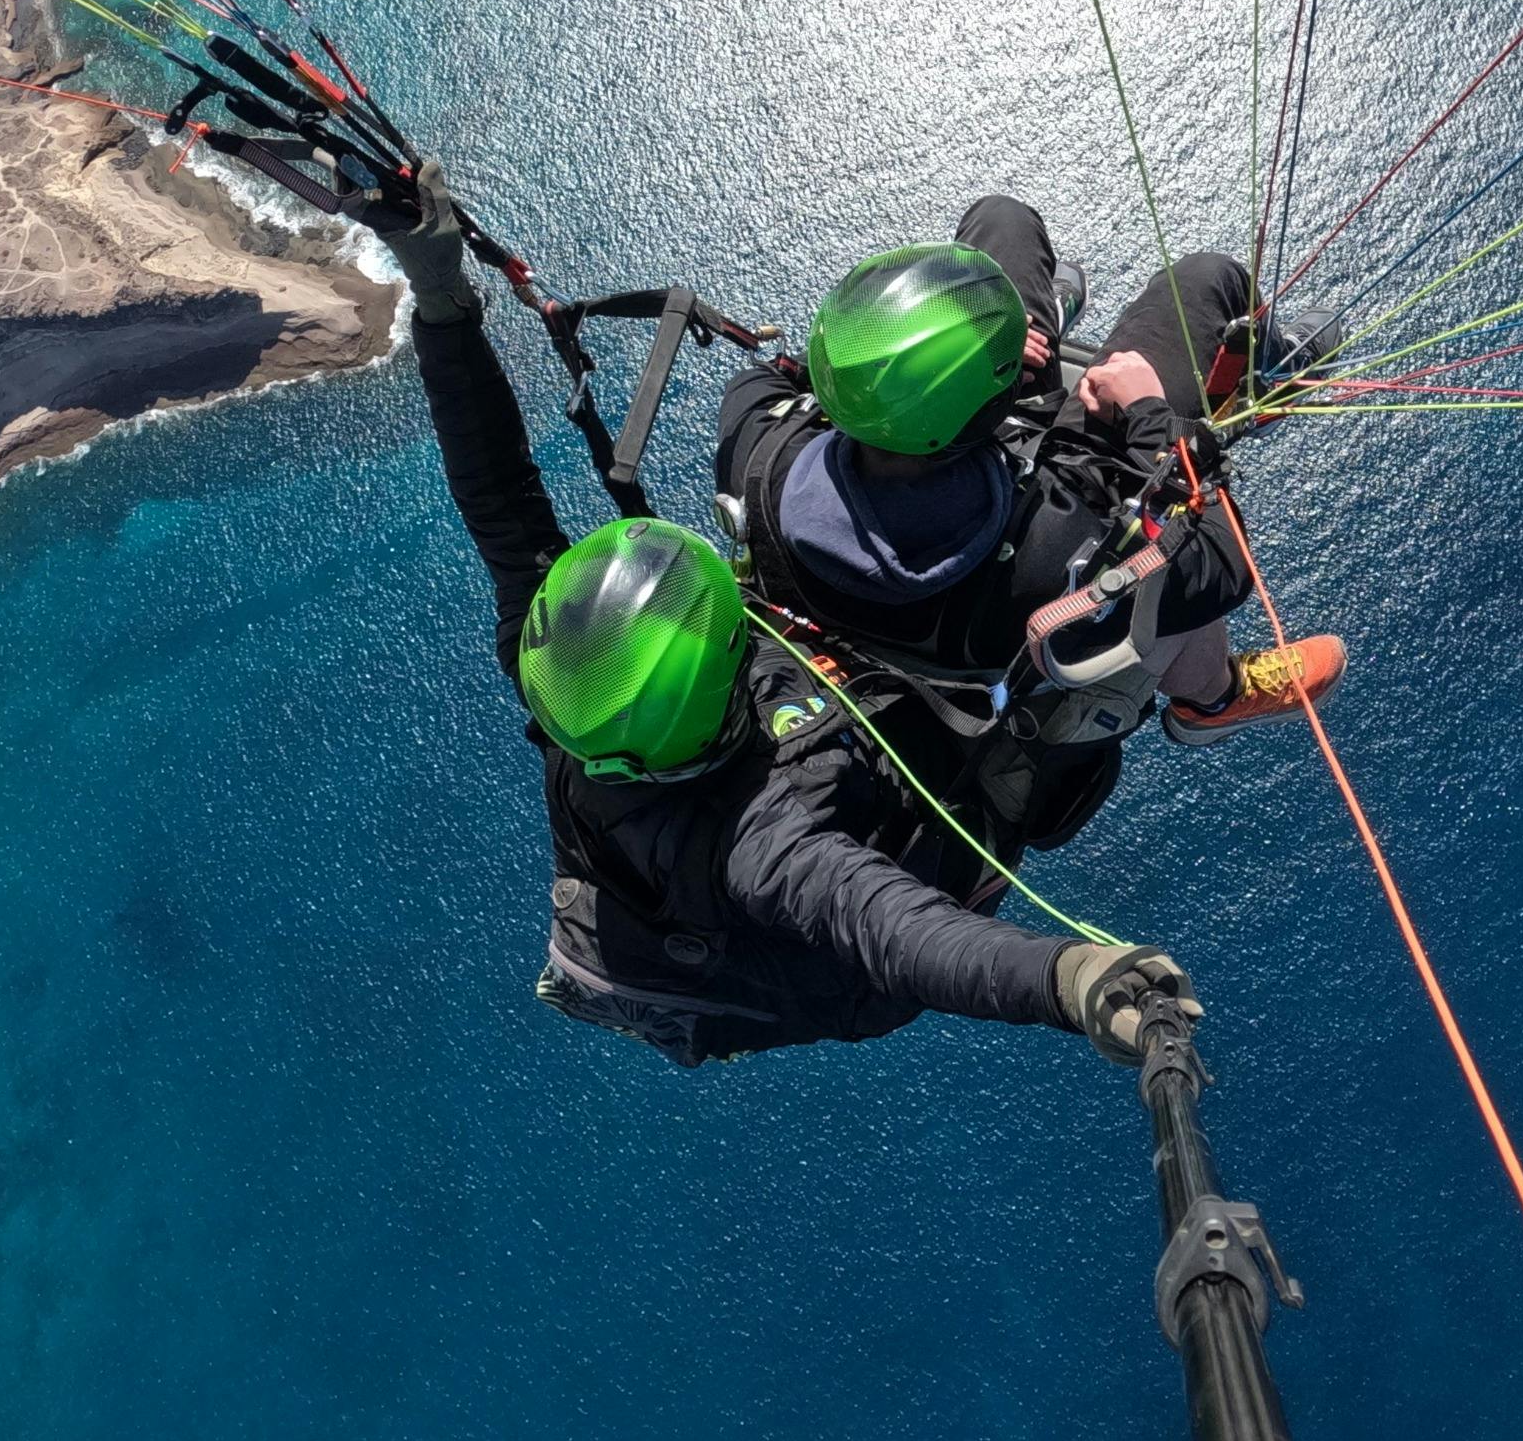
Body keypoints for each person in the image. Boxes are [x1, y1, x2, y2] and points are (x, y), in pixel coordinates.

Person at [392, 205, 1194, 1067]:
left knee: (1024, 240)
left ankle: (1040, 335)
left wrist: (441, 298)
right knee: (1077, 706)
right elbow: (902, 934)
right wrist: (1075, 981)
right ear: (728, 686)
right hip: (904, 860)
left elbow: (500, 503)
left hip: (838, 702)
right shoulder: (767, 841)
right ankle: (1203, 699)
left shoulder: (585, 695)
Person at [711, 197, 1345, 857]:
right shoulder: (1052, 554)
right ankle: (1210, 698)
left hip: (949, 479)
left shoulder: (760, 452)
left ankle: (1021, 321)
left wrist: (908, 368)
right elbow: (1215, 558)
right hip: (1043, 493)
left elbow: (769, 378)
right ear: (1001, 400)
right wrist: (1154, 417)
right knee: (1213, 278)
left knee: (1001, 220)